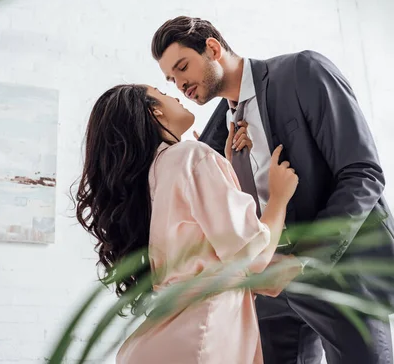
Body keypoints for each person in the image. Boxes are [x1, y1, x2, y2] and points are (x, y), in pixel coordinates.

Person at [150, 16, 394, 364]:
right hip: (269, 289)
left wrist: (304, 261)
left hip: (338, 272)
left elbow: (362, 173)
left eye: (183, 67)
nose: (180, 84)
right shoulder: (214, 132)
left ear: (213, 48)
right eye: (171, 79)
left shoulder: (301, 73)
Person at [74, 84, 299, 363]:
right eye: (162, 92)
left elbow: (206, 244)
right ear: (154, 111)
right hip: (204, 333)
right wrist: (279, 197)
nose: (176, 94)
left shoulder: (150, 178)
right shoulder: (192, 155)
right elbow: (252, 258)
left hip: (162, 338)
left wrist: (227, 169)